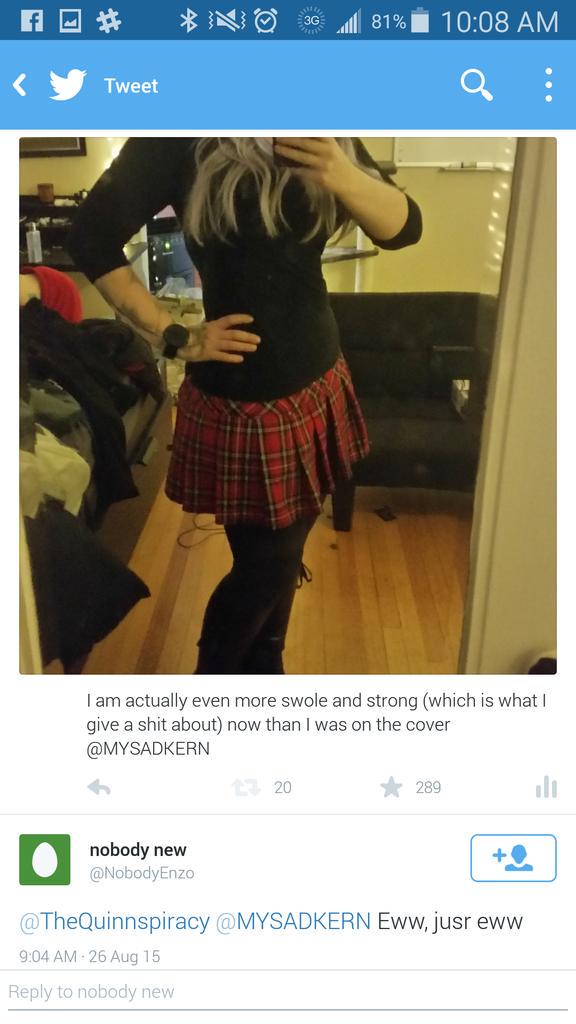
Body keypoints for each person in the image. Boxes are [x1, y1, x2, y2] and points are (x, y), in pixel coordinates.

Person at [68, 137, 422, 674]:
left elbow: (404, 228)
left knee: (284, 556)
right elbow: (89, 236)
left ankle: (266, 664)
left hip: (318, 380)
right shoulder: (176, 137)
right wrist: (172, 334)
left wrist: (341, 171)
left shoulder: (317, 127)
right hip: (242, 401)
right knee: (265, 567)